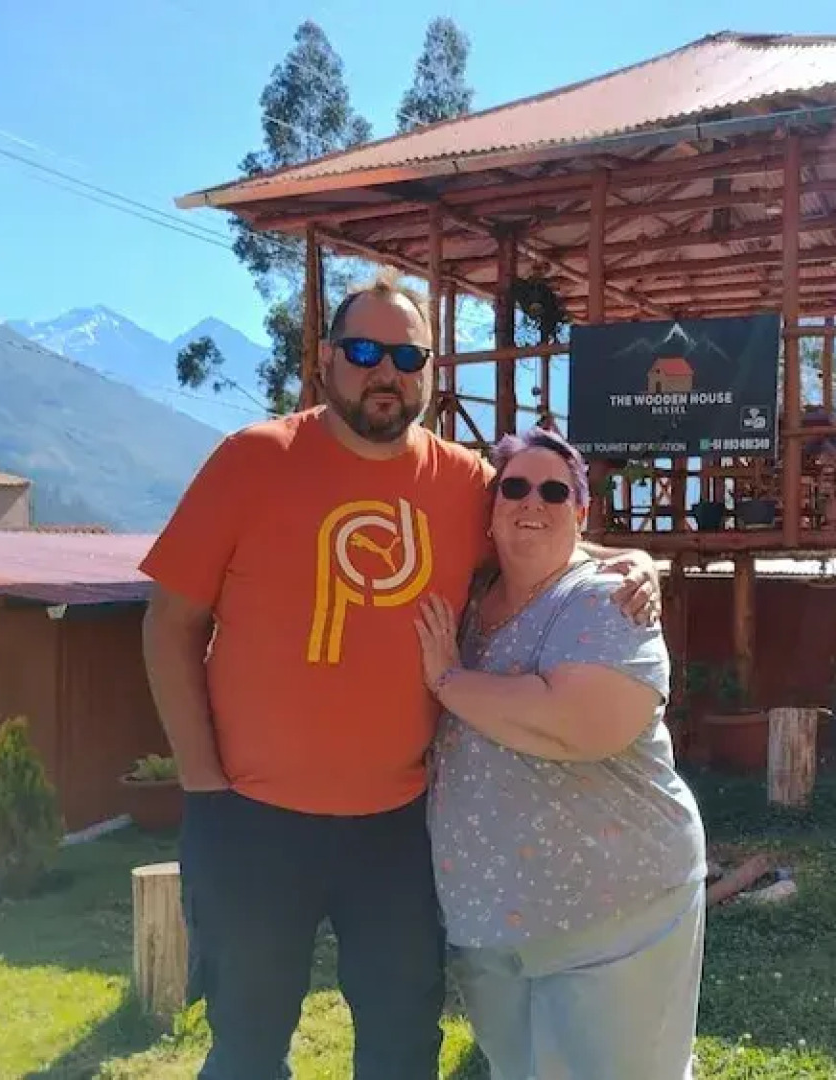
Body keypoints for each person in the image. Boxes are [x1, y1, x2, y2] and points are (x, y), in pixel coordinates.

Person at [138, 274, 661, 1080]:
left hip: (398, 828)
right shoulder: (252, 459)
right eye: (363, 351)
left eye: (407, 356)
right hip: (250, 821)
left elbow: (537, 531)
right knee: (246, 1047)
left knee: (402, 1045)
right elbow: (169, 625)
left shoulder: (462, 482)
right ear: (325, 360)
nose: (385, 371)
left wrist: (631, 559)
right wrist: (204, 785)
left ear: (429, 371)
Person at [412, 427, 707, 1080]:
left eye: (554, 491)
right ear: (491, 512)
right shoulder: (470, 600)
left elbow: (581, 723)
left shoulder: (607, 597)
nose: (532, 502)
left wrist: (450, 683)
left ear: (581, 510)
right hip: (488, 918)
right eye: (514, 487)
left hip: (612, 912)